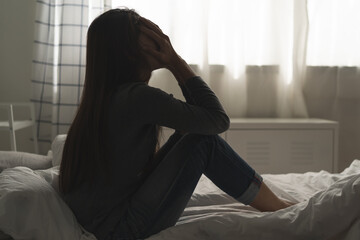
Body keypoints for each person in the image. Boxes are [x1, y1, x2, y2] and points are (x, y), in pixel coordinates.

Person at [59, 8, 293, 240]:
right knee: (203, 141)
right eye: (147, 33)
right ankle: (278, 208)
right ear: (129, 49)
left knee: (193, 133)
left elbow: (203, 121)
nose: (158, 37)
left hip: (105, 221)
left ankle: (275, 204)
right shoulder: (136, 97)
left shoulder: (105, 98)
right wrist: (174, 61)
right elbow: (217, 120)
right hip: (121, 229)